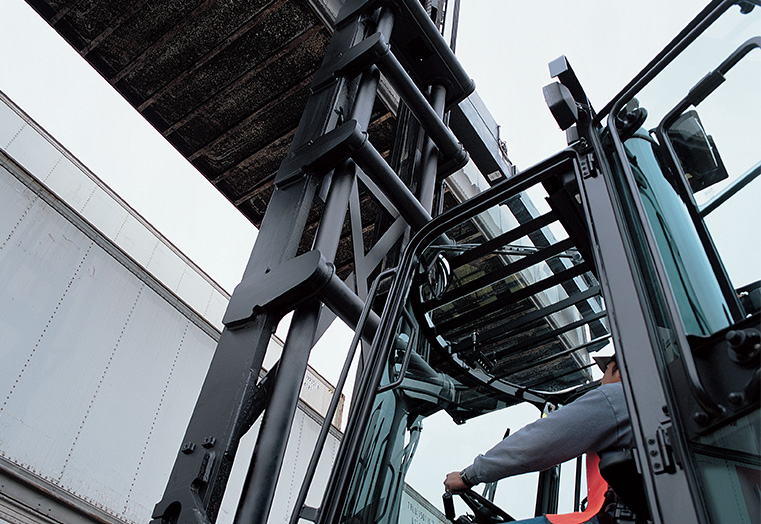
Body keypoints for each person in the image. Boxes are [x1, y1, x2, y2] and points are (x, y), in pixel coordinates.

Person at [443, 356, 632, 524]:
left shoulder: (619, 397)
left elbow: (539, 442)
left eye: (605, 371)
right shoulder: (640, 410)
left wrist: (468, 476)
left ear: (619, 372)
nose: (601, 382)